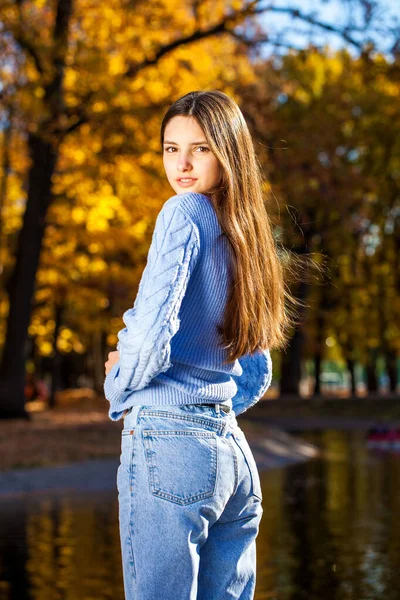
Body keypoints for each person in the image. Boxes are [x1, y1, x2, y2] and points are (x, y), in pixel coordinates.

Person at [104, 90, 298, 600]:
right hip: (232, 455)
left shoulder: (183, 212)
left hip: (171, 448)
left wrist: (119, 382)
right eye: (171, 149)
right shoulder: (246, 234)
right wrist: (213, 405)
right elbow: (256, 367)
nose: (183, 164)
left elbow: (150, 331)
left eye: (201, 148)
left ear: (227, 153)